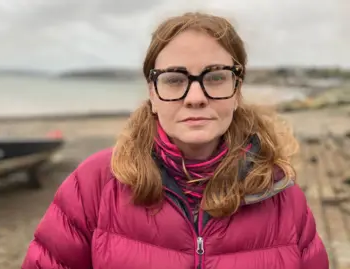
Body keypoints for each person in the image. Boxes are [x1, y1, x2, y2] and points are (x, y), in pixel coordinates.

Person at [21, 12, 329, 269]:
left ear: (237, 90)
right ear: (153, 93)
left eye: (216, 77)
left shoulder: (281, 196)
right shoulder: (93, 184)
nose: (195, 97)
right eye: (174, 79)